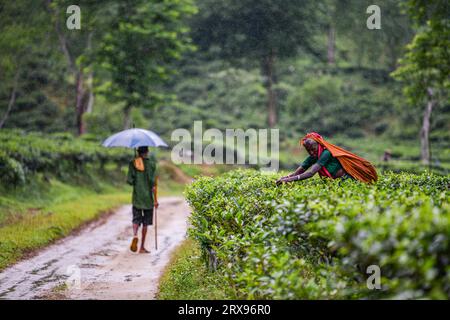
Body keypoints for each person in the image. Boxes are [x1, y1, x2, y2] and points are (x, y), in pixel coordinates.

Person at [277, 132, 378, 184]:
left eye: (313, 149)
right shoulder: (313, 156)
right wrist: (285, 178)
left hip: (347, 180)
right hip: (335, 183)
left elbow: (311, 173)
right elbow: (298, 172)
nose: (311, 152)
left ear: (319, 145)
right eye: (308, 150)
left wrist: (289, 180)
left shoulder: (326, 153)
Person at [127, 146, 158, 253]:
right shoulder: (152, 164)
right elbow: (153, 185)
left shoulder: (133, 163)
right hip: (148, 199)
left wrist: (135, 170)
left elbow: (130, 181)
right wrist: (155, 200)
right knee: (145, 223)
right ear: (147, 152)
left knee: (136, 219)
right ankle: (141, 247)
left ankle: (135, 235)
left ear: (138, 152)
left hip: (137, 198)